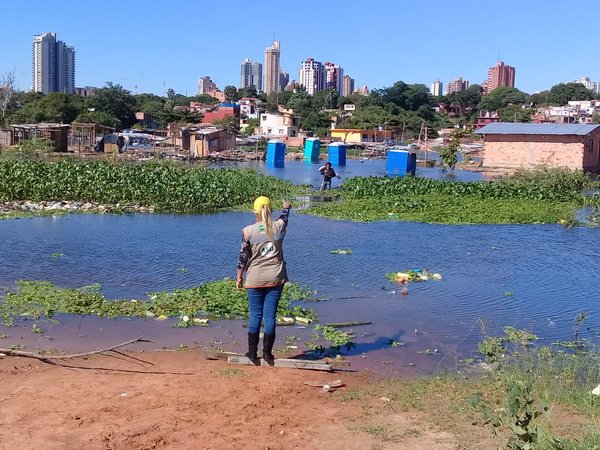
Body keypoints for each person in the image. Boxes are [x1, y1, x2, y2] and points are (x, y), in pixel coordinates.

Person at [236, 196, 292, 365]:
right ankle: (268, 355)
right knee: (270, 316)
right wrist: (286, 207)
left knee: (255, 315)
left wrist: (239, 276)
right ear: (270, 210)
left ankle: (252, 354)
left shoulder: (248, 231)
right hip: (276, 278)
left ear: (255, 212)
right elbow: (284, 217)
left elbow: (243, 257)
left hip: (254, 279)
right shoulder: (279, 227)